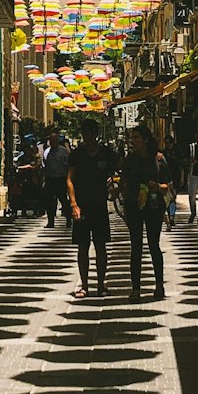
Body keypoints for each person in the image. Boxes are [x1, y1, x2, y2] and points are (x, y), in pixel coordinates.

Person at [119, 126, 170, 301]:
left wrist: (158, 187)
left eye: (137, 137)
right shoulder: (129, 160)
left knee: (153, 245)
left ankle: (159, 285)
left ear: (146, 139)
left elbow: (168, 186)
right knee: (136, 247)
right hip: (134, 205)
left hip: (154, 206)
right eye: (132, 137)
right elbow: (123, 182)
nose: (133, 140)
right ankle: (136, 289)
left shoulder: (158, 159)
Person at [67, 120, 116, 299]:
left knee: (101, 246)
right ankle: (85, 284)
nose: (88, 136)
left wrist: (114, 184)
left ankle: (101, 284)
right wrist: (73, 204)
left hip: (100, 205)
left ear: (96, 134)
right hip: (82, 205)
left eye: (91, 132)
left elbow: (118, 171)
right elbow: (70, 179)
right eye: (85, 132)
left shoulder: (106, 153)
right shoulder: (77, 154)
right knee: (82, 246)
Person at [41, 126, 72, 229]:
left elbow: (68, 165)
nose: (53, 142)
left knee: (63, 200)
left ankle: (68, 220)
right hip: (50, 179)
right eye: (51, 140)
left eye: (54, 140)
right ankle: (51, 222)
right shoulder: (46, 152)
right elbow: (44, 164)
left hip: (60, 178)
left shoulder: (63, 151)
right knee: (49, 202)